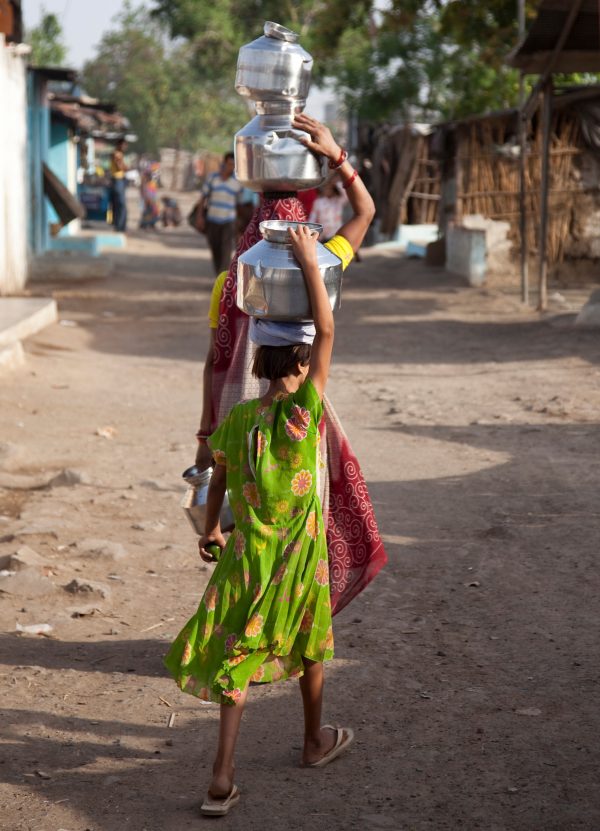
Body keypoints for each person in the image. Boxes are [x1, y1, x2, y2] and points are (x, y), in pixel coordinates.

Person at [165, 224, 353, 817]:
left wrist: (215, 528)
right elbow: (326, 328)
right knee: (311, 642)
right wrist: (303, 255)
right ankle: (312, 741)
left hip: (248, 556)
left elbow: (218, 476)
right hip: (298, 554)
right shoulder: (305, 411)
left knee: (239, 654)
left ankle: (222, 774)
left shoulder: (241, 417)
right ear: (301, 360)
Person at [208, 113, 387, 616]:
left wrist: (207, 433)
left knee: (247, 530)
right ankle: (296, 624)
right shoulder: (324, 262)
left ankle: (246, 629)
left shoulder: (230, 283)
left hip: (241, 416)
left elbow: (214, 365)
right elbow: (366, 211)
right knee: (305, 520)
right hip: (299, 417)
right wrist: (338, 158)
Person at [195, 152, 243, 274]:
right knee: (215, 249)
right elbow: (203, 199)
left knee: (226, 252)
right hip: (212, 220)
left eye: (233, 165)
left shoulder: (237, 183)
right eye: (229, 164)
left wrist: (239, 227)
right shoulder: (212, 178)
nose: (231, 167)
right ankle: (219, 277)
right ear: (224, 164)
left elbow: (239, 205)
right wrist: (200, 216)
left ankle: (222, 281)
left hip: (229, 221)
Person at [308, 176, 347, 241]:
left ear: (333, 189)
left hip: (336, 234)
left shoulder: (338, 201)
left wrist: (336, 183)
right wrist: (310, 230)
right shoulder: (318, 202)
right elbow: (312, 217)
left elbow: (345, 194)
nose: (327, 189)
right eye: (325, 187)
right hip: (322, 236)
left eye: (329, 188)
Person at [110, 138, 128, 232]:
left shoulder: (118, 154)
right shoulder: (117, 154)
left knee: (118, 204)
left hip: (119, 181)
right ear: (119, 145)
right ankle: (119, 227)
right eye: (124, 145)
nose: (126, 147)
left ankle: (119, 226)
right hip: (117, 180)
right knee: (121, 204)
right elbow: (121, 167)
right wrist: (125, 167)